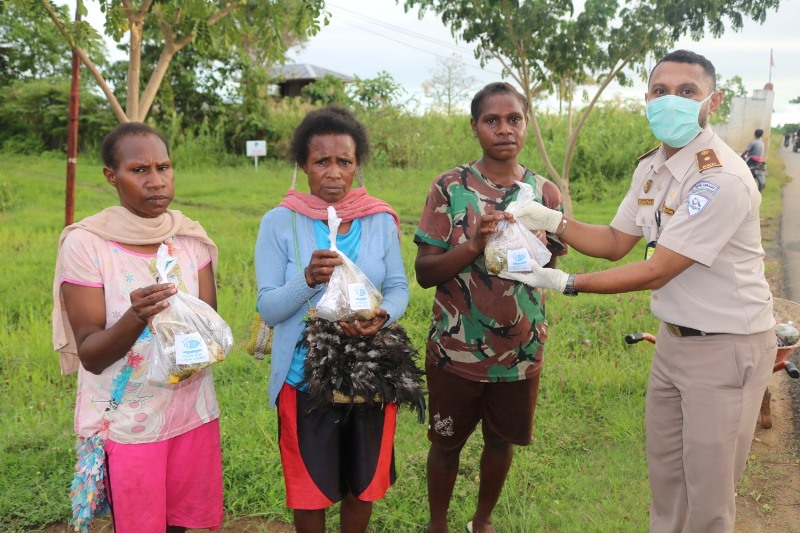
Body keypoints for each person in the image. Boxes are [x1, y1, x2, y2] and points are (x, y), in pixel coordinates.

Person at [512, 50, 776, 533]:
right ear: (646, 100)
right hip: (673, 341)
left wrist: (565, 281)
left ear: (711, 102)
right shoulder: (653, 167)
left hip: (727, 346)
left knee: (710, 497)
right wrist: (555, 222)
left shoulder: (720, 178)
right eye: (660, 91)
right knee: (668, 482)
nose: (670, 101)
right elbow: (615, 242)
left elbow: (659, 269)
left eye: (686, 91)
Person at [52, 122, 224, 532]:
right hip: (128, 420)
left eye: (163, 168)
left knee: (180, 520)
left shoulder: (188, 239)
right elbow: (91, 354)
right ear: (112, 176)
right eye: (139, 170)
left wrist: (192, 333)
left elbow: (207, 334)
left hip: (190, 411)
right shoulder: (87, 244)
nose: (156, 182)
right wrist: (137, 317)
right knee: (140, 522)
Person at [414, 82, 567, 533]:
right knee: (445, 445)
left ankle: (482, 522)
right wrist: (474, 244)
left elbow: (551, 268)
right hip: (455, 352)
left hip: (519, 354)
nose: (504, 129)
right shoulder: (450, 188)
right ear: (475, 127)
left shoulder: (545, 193)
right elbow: (426, 273)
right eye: (492, 120)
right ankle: (437, 524)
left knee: (500, 442)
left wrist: (539, 245)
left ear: (527, 123)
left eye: (514, 119)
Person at [254, 105, 410, 533]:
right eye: (321, 161)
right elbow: (268, 307)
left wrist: (383, 315)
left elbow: (399, 289)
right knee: (310, 487)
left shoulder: (378, 219)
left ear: (357, 165)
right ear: (303, 165)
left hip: (370, 373)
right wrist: (307, 279)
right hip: (303, 379)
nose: (334, 173)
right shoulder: (279, 222)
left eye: (344, 161)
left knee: (363, 483)